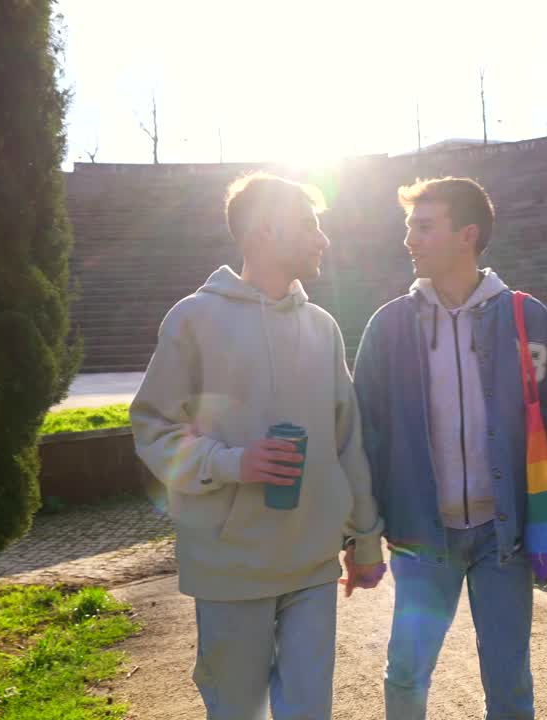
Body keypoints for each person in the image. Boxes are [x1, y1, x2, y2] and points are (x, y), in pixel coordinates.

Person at [353, 177, 547, 719]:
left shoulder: (527, 319)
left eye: (423, 227)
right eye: (409, 227)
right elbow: (363, 438)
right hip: (420, 537)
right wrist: (359, 530)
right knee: (405, 675)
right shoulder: (389, 328)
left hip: (507, 538)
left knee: (510, 682)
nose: (410, 239)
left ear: (466, 235)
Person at [130, 172, 386, 720]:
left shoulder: (324, 327)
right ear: (267, 230)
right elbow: (153, 427)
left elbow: (348, 442)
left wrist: (365, 541)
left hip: (313, 565)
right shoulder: (193, 319)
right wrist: (232, 463)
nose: (323, 240)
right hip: (230, 568)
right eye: (310, 225)